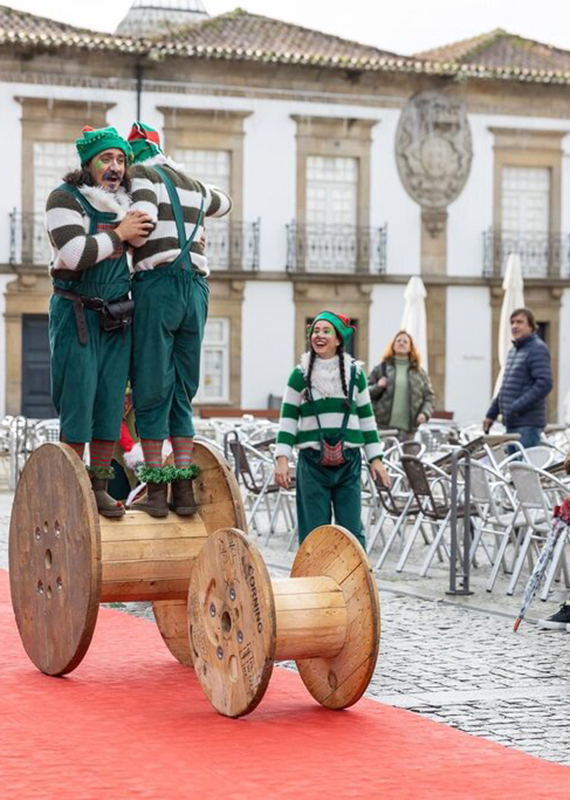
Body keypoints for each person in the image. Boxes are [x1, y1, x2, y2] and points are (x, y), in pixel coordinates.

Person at [125, 122, 232, 518]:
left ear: (135, 153)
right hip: (196, 289)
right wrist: (194, 230)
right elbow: (225, 203)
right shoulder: (193, 183)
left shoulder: (142, 177)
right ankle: (183, 489)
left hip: (159, 285)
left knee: (153, 384)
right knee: (184, 389)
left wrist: (124, 237)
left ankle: (156, 489)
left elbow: (143, 221)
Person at [46, 125, 153, 517]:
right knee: (78, 400)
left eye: (121, 160)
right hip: (76, 314)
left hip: (116, 317)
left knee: (110, 401)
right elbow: (74, 252)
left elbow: (151, 242)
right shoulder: (64, 197)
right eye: (106, 159)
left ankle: (100, 485)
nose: (115, 167)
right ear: (88, 164)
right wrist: (121, 233)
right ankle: (69, 489)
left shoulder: (126, 203)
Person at [274, 311, 390, 549]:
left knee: (351, 531)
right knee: (313, 531)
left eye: (326, 331)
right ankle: (314, 581)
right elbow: (287, 420)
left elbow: (367, 419)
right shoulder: (299, 375)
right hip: (311, 462)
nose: (319, 335)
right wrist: (282, 459)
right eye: (316, 331)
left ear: (338, 339)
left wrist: (376, 459)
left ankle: (355, 581)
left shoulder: (355, 374)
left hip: (349, 461)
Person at [483, 308, 553, 448]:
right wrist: (491, 414)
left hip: (528, 425)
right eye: (512, 322)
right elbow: (506, 386)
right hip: (513, 423)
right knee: (513, 467)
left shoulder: (537, 348)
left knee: (522, 469)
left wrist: (516, 407)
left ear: (531, 326)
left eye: (519, 322)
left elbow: (545, 383)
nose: (515, 326)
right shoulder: (513, 351)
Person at [367, 330, 435, 441]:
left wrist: (425, 413)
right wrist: (378, 387)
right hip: (383, 429)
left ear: (410, 348)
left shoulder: (419, 372)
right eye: (398, 340)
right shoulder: (381, 368)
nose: (401, 343)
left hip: (410, 431)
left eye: (405, 341)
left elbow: (429, 397)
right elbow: (365, 394)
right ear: (393, 345)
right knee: (384, 458)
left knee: (408, 458)